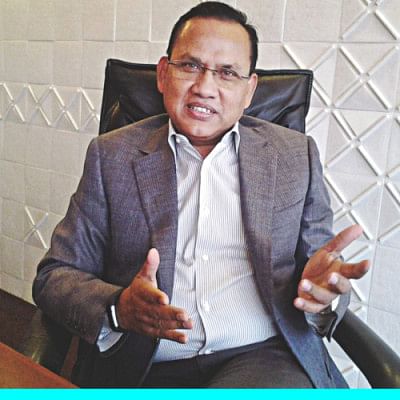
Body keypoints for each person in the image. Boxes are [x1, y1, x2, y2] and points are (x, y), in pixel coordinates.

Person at [33, 1, 369, 388]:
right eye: (190, 66)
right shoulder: (111, 157)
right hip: (144, 362)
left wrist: (325, 295)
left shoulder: (294, 156)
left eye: (227, 73)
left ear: (249, 90)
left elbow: (321, 272)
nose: (205, 88)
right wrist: (119, 308)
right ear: (163, 74)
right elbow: (54, 277)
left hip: (261, 358)